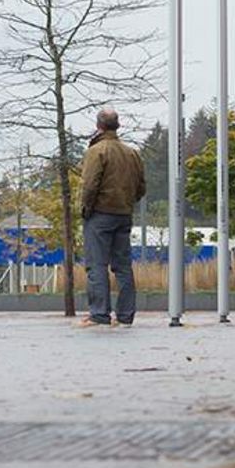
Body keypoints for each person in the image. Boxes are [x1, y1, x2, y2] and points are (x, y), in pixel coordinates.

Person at [79, 108, 146, 326]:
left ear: (99, 126)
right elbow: (141, 187)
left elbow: (89, 185)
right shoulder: (132, 153)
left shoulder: (97, 151)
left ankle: (99, 314)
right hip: (123, 215)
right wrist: (127, 202)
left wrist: (86, 208)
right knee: (123, 267)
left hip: (99, 215)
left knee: (97, 265)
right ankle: (125, 316)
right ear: (118, 126)